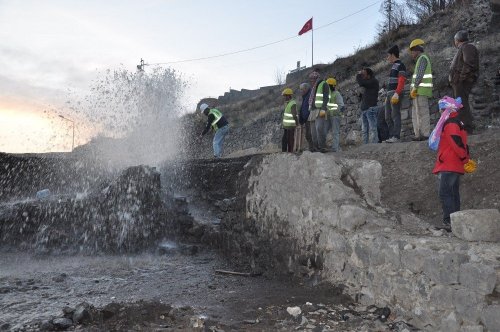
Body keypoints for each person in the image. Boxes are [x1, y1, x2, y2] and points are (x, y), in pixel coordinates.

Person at [432, 96, 470, 231]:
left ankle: (449, 222)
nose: (440, 112)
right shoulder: (457, 122)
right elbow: (462, 143)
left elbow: (457, 143)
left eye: (442, 109)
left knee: (445, 193)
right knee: (453, 193)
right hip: (454, 163)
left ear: (447, 109)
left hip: (449, 163)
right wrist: (465, 159)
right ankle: (456, 222)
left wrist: (464, 157)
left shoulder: (451, 123)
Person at [449, 30, 479, 134]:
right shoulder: (464, 47)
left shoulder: (467, 47)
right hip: (459, 82)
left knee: (462, 105)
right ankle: (464, 127)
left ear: (457, 39)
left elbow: (469, 64)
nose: (455, 42)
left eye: (455, 40)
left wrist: (460, 79)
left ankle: (467, 128)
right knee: (460, 104)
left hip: (462, 82)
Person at [409, 38, 433, 141]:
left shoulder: (422, 58)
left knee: (422, 113)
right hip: (419, 91)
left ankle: (425, 134)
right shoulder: (421, 59)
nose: (411, 53)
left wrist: (415, 87)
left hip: (421, 91)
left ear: (417, 50)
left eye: (412, 51)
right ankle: (419, 134)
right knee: (418, 113)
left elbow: (420, 74)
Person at [384, 45, 407, 143]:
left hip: (395, 94)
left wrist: (397, 93)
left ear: (393, 55)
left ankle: (396, 137)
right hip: (389, 94)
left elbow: (401, 80)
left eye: (388, 55)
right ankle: (391, 136)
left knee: (395, 115)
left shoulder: (400, 65)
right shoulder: (393, 66)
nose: (387, 58)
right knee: (387, 116)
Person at [356, 67, 380, 144]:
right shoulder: (368, 84)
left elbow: (361, 83)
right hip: (365, 109)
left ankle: (374, 145)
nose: (363, 75)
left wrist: (358, 75)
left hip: (371, 108)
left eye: (364, 74)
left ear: (368, 74)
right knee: (364, 130)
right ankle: (365, 146)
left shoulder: (373, 81)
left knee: (373, 128)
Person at [308, 69, 330, 152]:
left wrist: (323, 110)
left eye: (312, 79)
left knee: (319, 128)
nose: (311, 81)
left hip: (321, 110)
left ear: (316, 78)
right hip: (313, 111)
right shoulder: (313, 87)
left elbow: (326, 98)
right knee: (313, 132)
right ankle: (316, 147)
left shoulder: (324, 84)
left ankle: (322, 147)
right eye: (310, 79)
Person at [324, 77, 345, 152]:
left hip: (335, 116)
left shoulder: (337, 94)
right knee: (324, 131)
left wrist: (336, 112)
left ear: (332, 86)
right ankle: (323, 147)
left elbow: (341, 106)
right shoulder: (328, 95)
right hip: (328, 116)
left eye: (328, 86)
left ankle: (335, 148)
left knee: (335, 132)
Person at [281, 88, 299, 152]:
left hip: (290, 126)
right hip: (286, 126)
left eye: (285, 96)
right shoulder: (288, 103)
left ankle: (290, 153)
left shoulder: (292, 103)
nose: (284, 97)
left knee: (290, 140)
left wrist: (297, 123)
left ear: (289, 96)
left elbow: (294, 115)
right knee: (284, 140)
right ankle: (284, 152)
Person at [298, 83, 312, 151]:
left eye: (302, 89)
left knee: (309, 135)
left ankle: (313, 149)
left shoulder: (310, 95)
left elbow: (310, 107)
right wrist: (301, 119)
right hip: (306, 119)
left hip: (310, 118)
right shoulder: (305, 97)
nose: (300, 91)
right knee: (308, 135)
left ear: (306, 89)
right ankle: (311, 149)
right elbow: (303, 109)